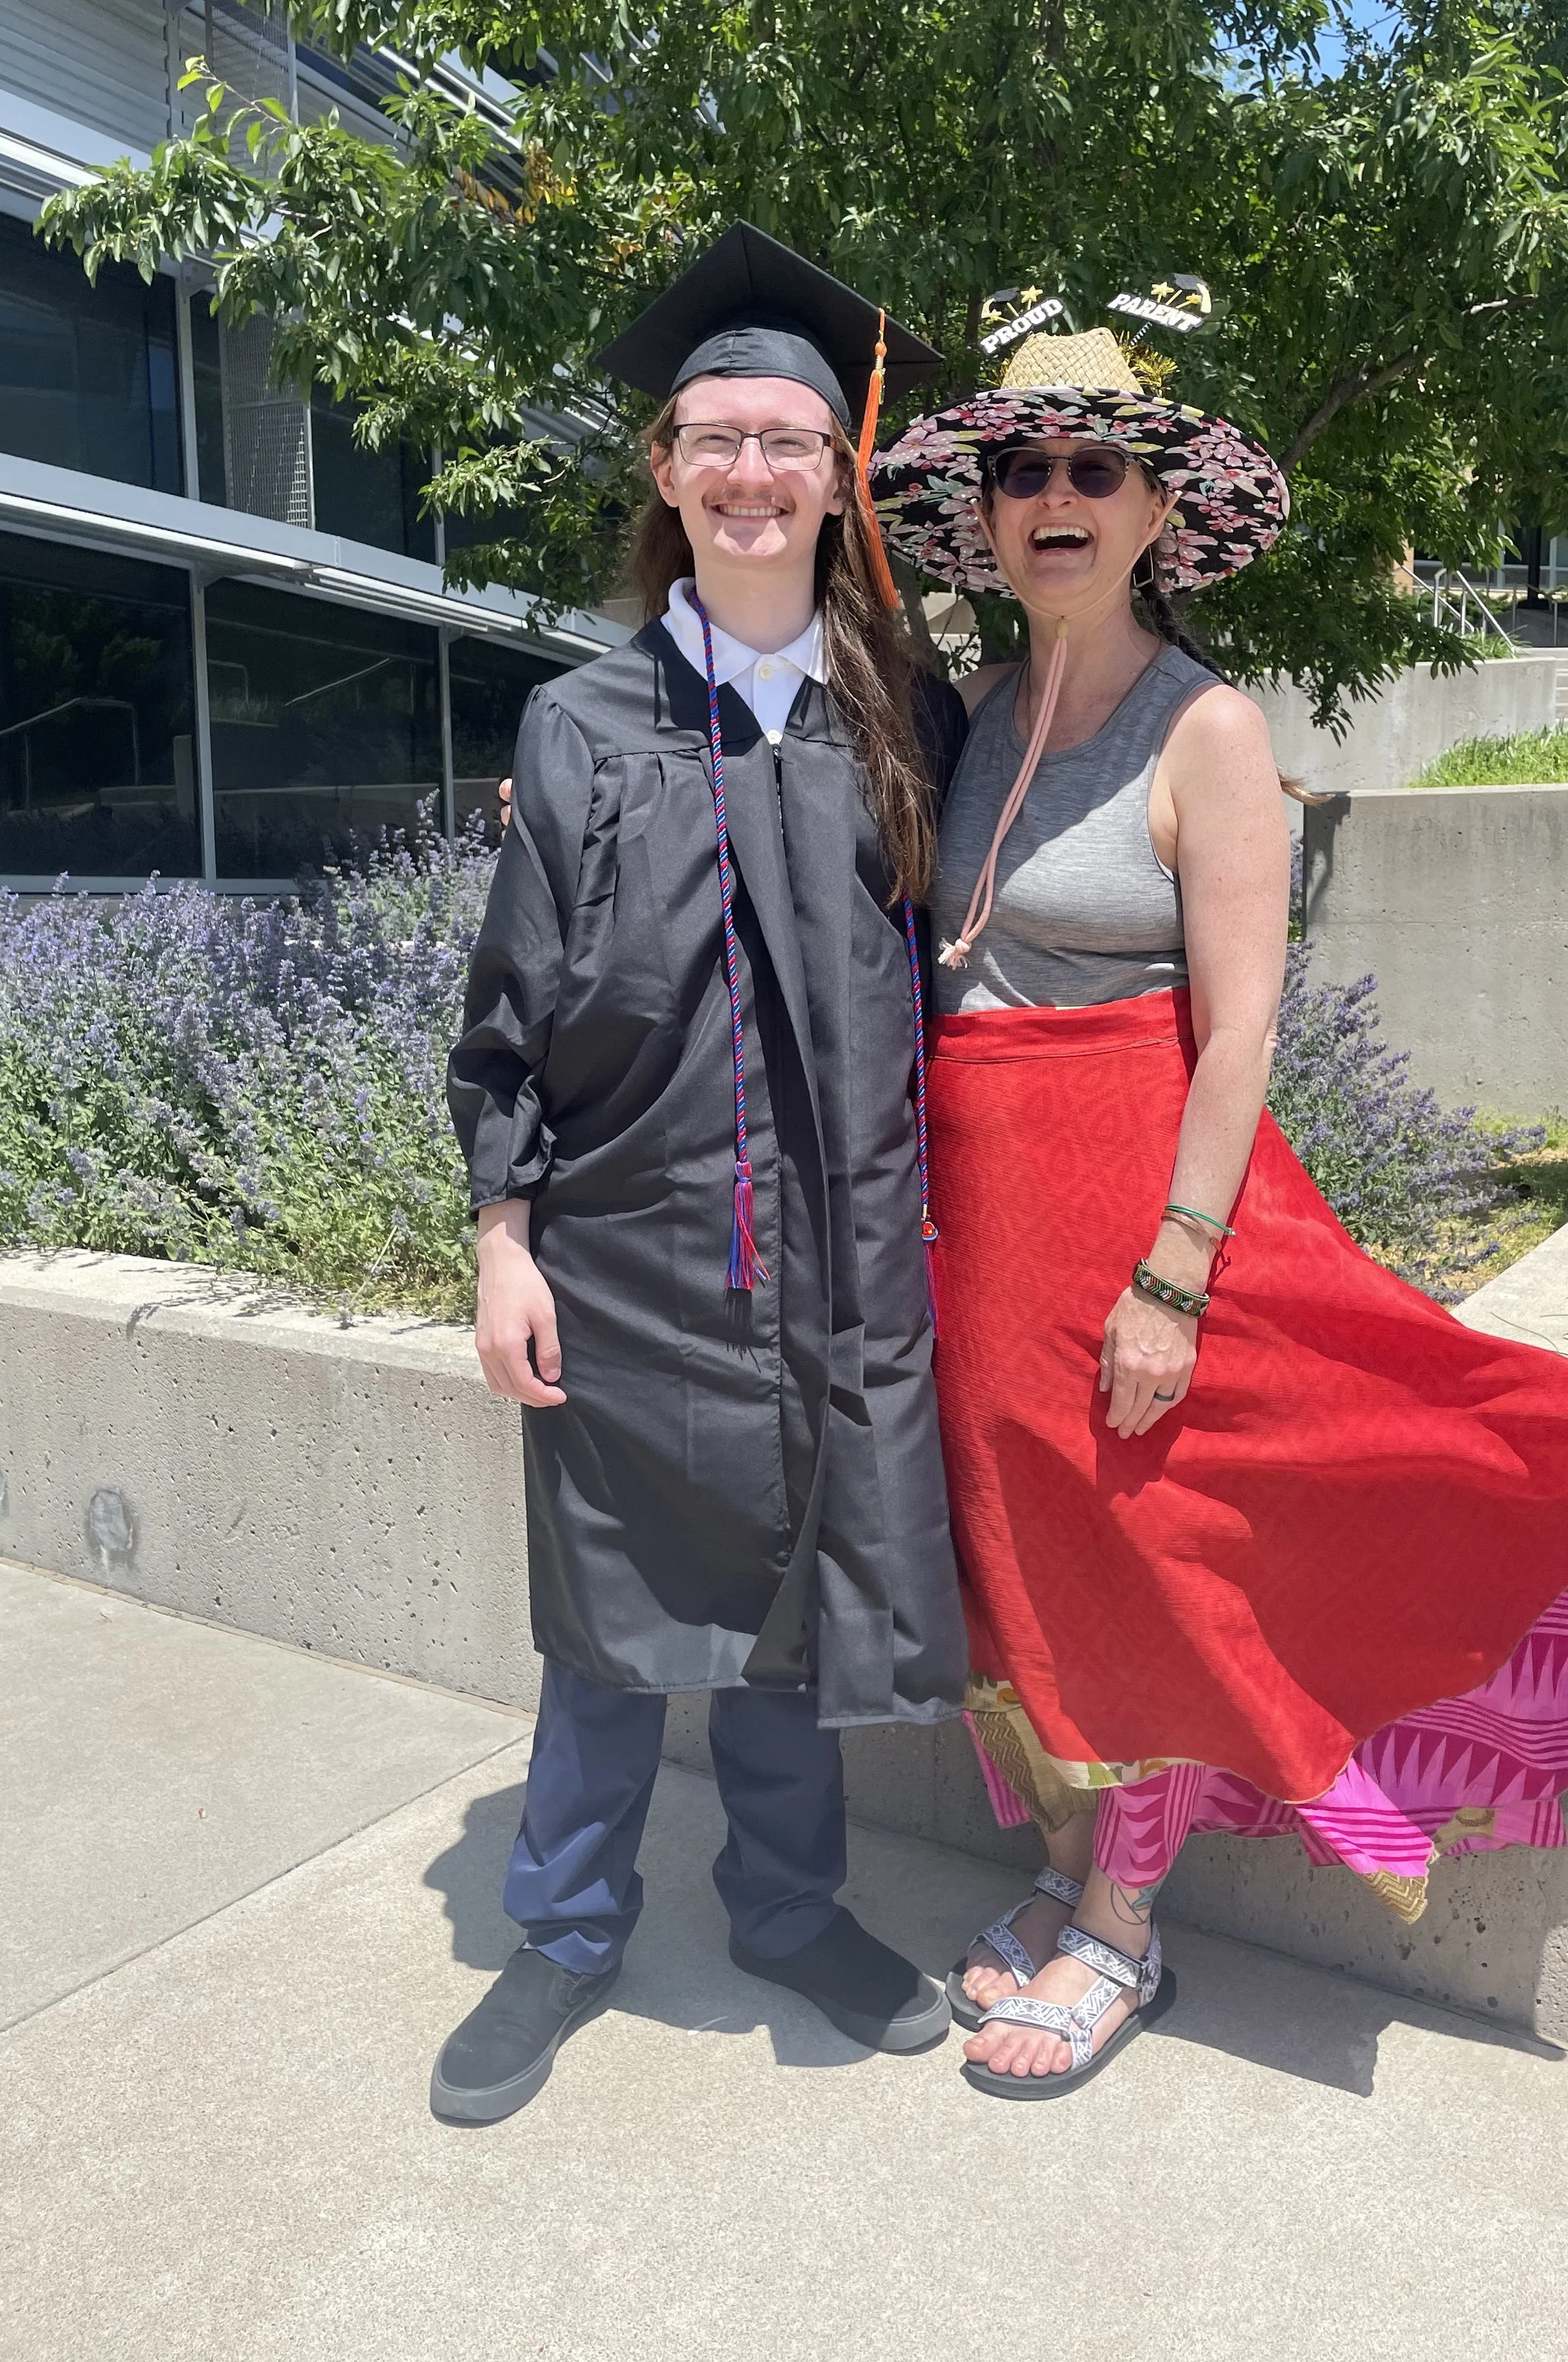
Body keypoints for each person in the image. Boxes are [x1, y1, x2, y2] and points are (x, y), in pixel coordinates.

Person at [868, 322, 1568, 2099]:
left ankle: (1124, 1928)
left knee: (1141, 1560)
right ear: (986, 510)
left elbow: (1242, 1024)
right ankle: (1060, 1869)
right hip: (976, 1226)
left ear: (1153, 509)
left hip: (1123, 1216)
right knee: (1020, 1558)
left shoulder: (1207, 730)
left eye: (1092, 469)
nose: (1053, 498)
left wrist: (1172, 1278)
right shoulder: (966, 712)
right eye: (1021, 469)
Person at [434, 226, 968, 2123]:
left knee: (787, 1609)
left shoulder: (900, 718)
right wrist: (504, 1237)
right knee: (601, 1627)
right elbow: (511, 1013)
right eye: (715, 438)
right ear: (664, 471)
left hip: (836, 1266)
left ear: (837, 476)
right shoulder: (580, 729)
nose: (752, 473)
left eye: (788, 440)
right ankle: (562, 1929)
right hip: (627, 1256)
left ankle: (783, 1907)